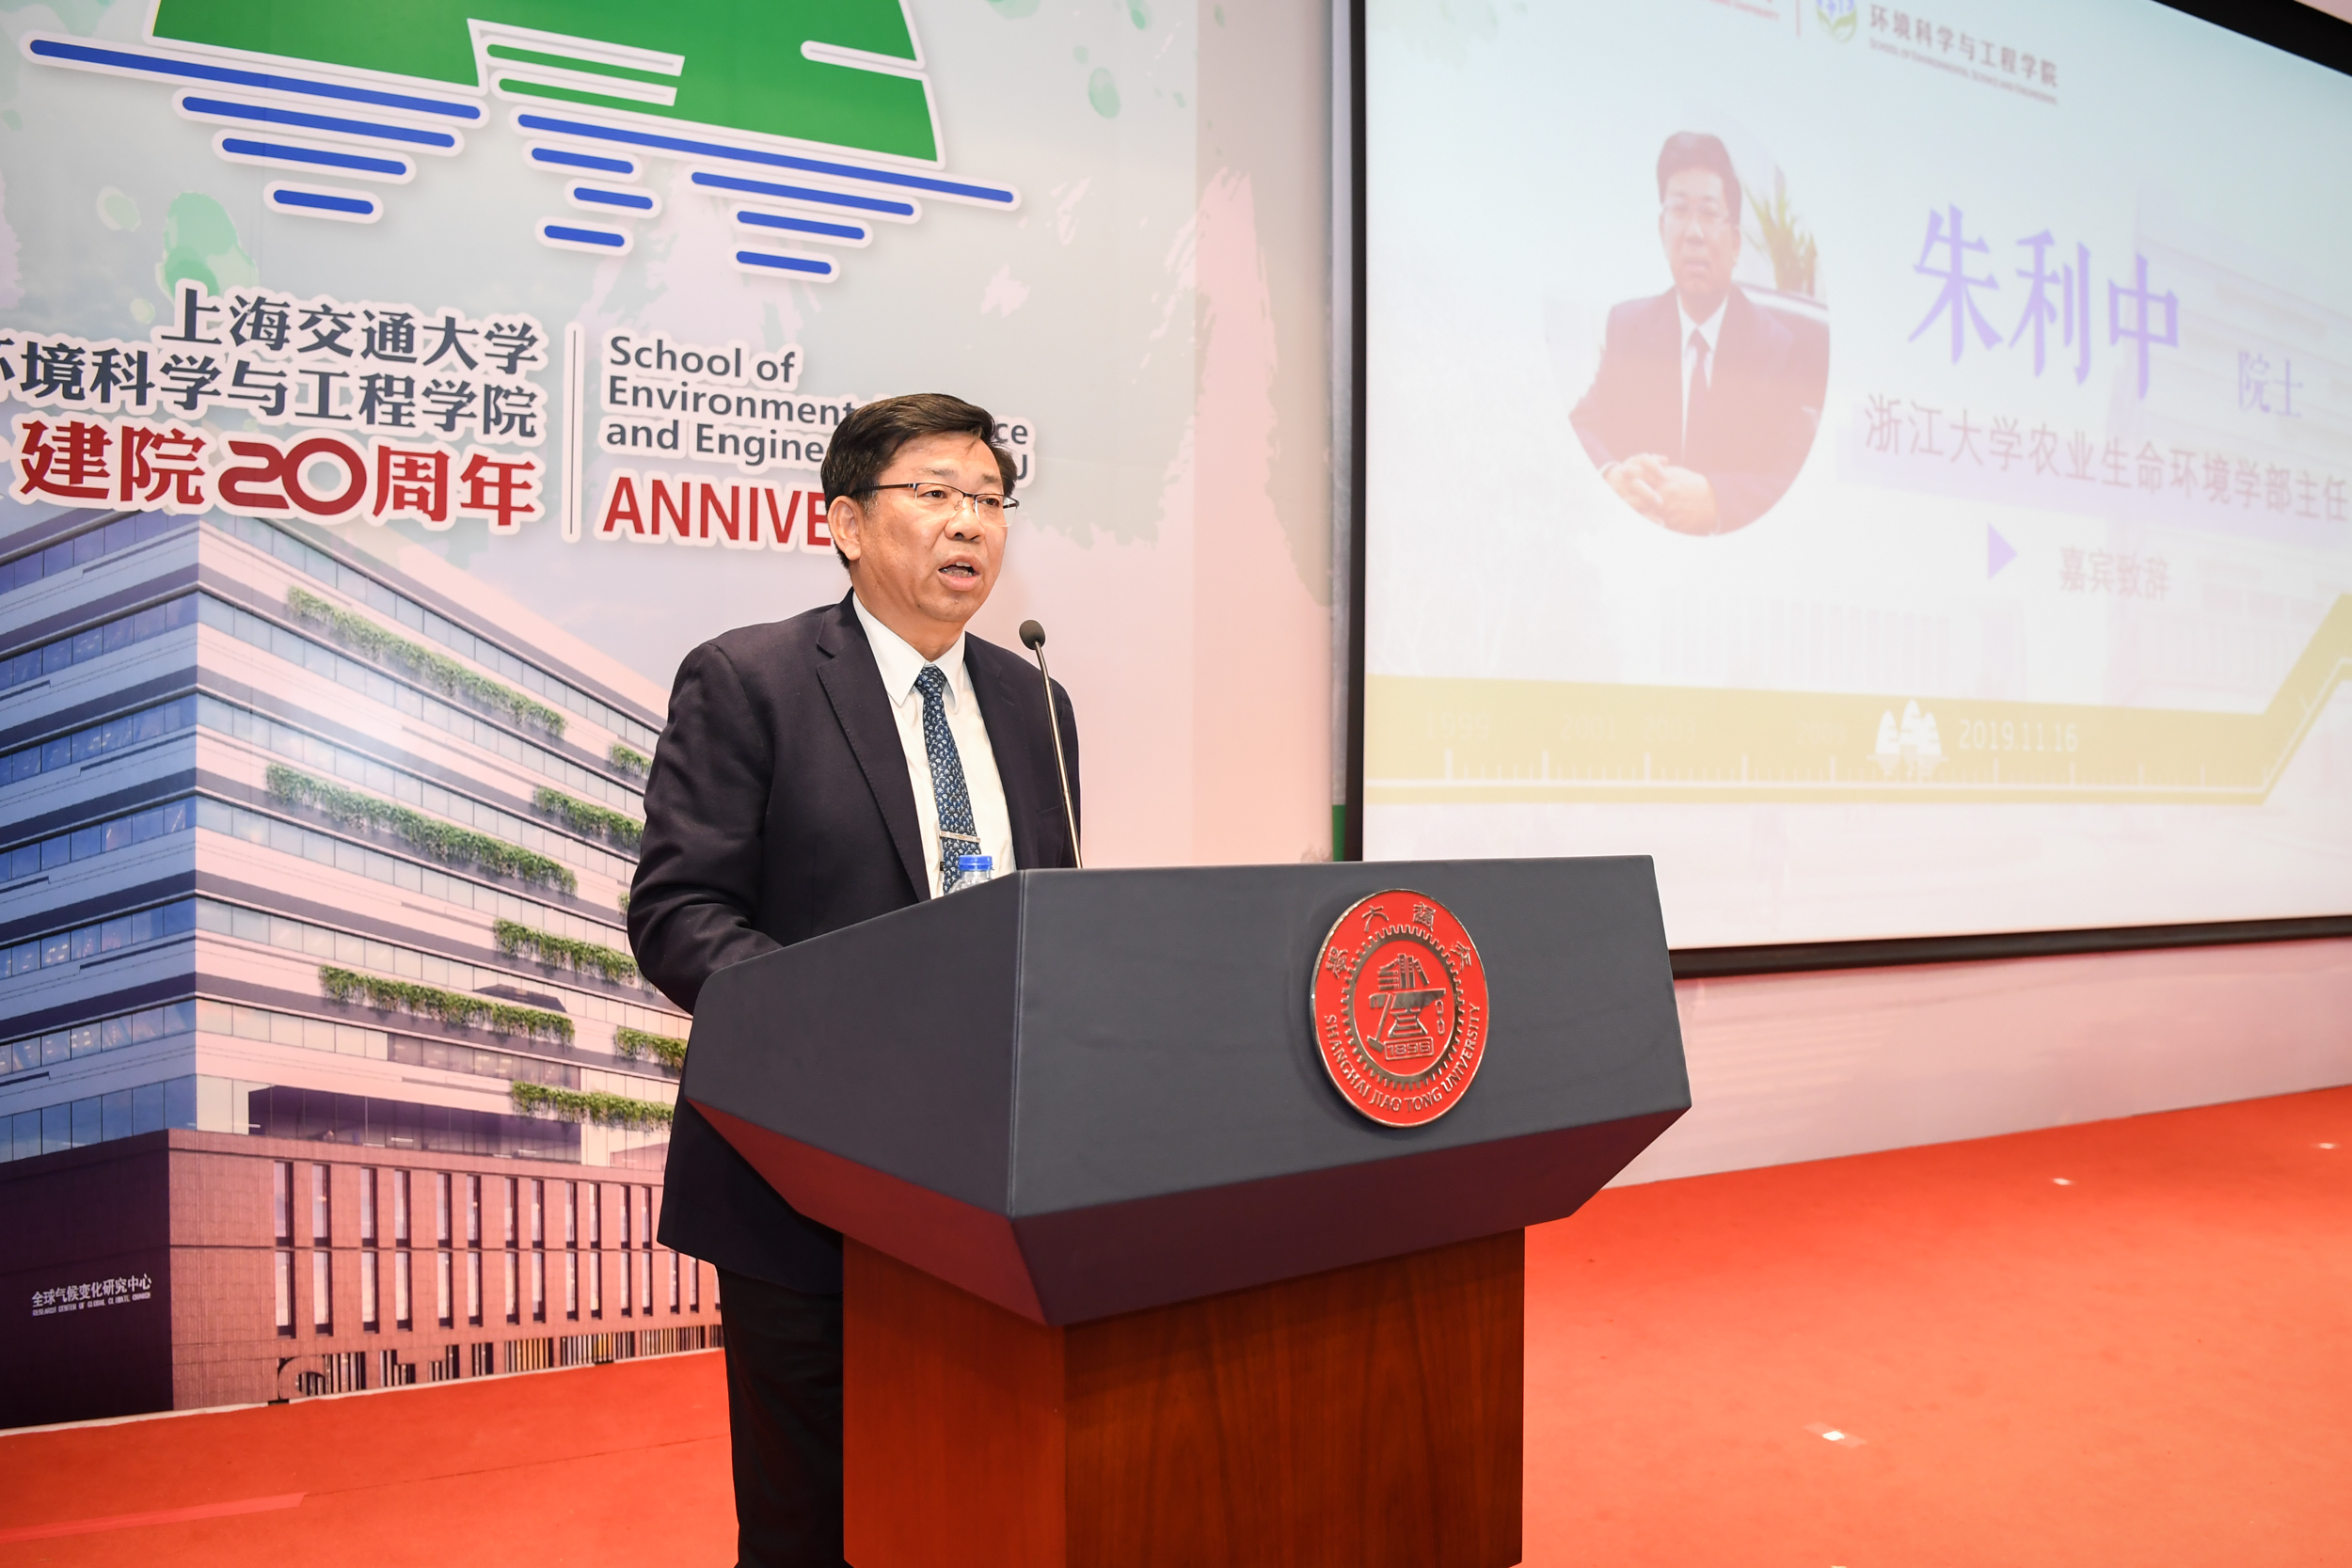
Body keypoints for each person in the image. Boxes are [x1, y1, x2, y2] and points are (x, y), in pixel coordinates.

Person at [628, 392, 1081, 1568]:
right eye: (934, 493)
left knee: (986, 1500)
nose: (969, 522)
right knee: (813, 1522)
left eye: (989, 499)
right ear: (843, 521)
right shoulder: (750, 680)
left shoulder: (1036, 703)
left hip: (995, 1181)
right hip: (806, 1174)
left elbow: (1053, 922)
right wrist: (856, 1033)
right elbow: (680, 916)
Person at [1570, 131, 1825, 534]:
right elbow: (1582, 426)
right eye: (1678, 211)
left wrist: (1715, 498)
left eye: (1708, 214)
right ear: (1662, 229)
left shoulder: (1778, 350)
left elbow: (1796, 479)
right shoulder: (1629, 329)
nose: (1693, 233)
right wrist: (1611, 475)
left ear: (1735, 242)